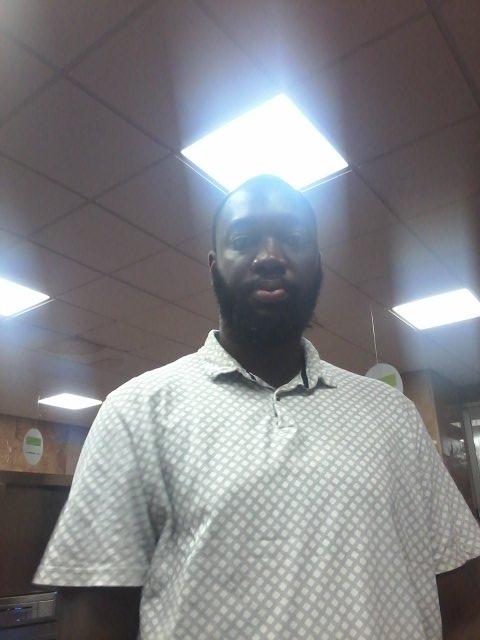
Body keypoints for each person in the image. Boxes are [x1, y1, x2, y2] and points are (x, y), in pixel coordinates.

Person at [34, 175, 480, 639]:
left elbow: (466, 605)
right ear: (213, 266)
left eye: (294, 239)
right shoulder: (135, 414)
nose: (270, 255)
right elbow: (93, 618)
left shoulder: (393, 416)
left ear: (318, 264)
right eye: (244, 239)